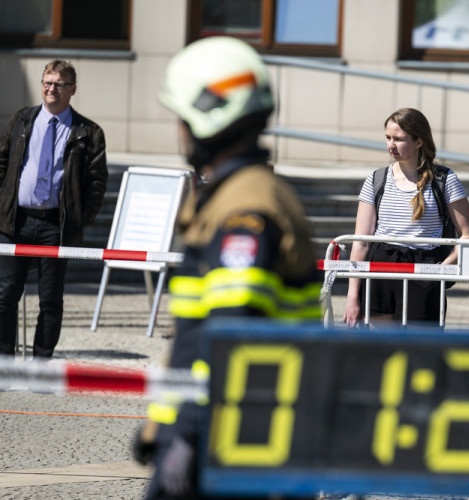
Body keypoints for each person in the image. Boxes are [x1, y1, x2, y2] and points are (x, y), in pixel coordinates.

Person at [133, 37, 320, 498]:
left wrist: (188, 438)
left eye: (182, 118)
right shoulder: (237, 195)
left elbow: (233, 338)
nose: (179, 130)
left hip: (228, 443)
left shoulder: (245, 211)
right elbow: (195, 336)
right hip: (228, 434)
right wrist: (160, 426)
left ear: (206, 117)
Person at [0, 60, 108, 358]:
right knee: (5, 295)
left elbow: (96, 183)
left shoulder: (88, 132)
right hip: (16, 222)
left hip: (55, 226)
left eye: (59, 84)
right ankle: (4, 363)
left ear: (72, 89)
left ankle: (41, 366)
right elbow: (2, 162)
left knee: (50, 300)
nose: (52, 89)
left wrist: (78, 219)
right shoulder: (22, 120)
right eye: (47, 82)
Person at [342, 108, 469, 328]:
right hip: (380, 267)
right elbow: (361, 242)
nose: (391, 145)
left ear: (419, 142)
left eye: (399, 139)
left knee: (419, 351)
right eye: (388, 138)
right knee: (379, 350)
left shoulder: (445, 179)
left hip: (424, 270)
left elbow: (468, 235)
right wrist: (352, 296)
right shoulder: (377, 179)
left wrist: (442, 269)